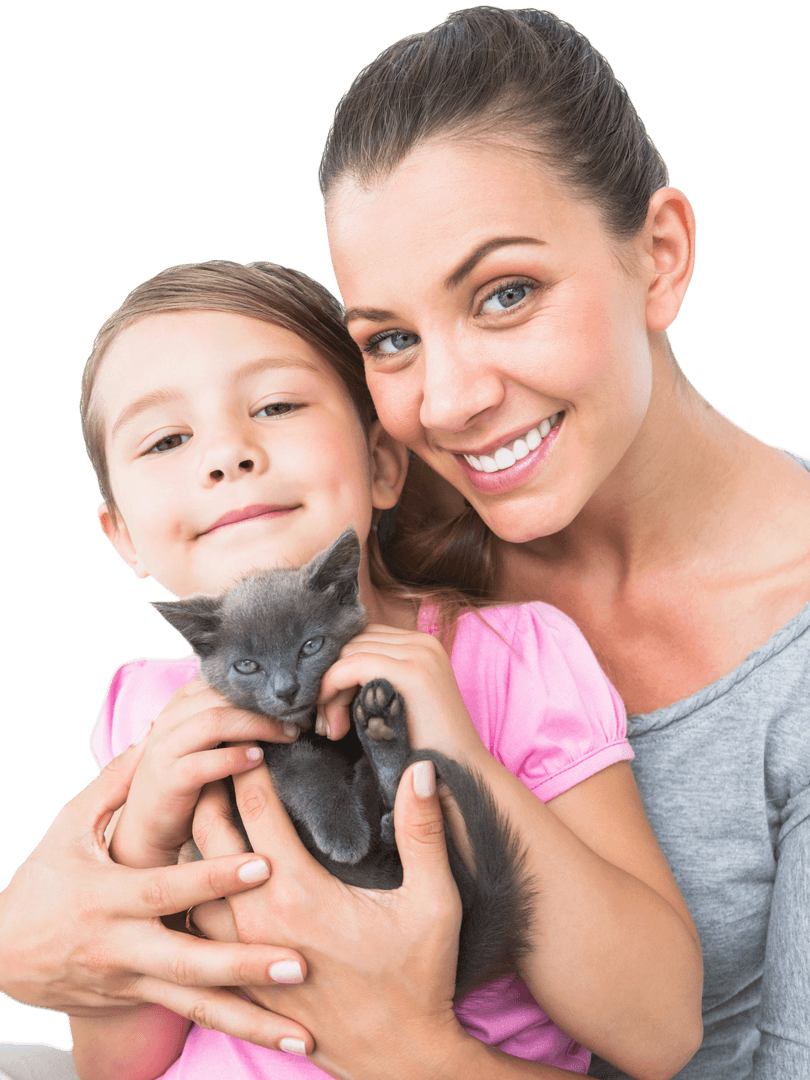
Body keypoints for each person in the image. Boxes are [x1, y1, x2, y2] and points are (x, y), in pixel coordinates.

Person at [4, 257, 702, 1080]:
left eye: (275, 405)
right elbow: (121, 1068)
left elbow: (659, 1032)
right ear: (124, 538)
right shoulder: (143, 713)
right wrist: (146, 835)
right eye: (167, 439)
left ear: (381, 463)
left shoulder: (511, 658)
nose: (228, 454)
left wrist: (459, 756)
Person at [306, 6, 809, 1079]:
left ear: (661, 257)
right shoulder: (391, 547)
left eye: (506, 294)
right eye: (391, 339)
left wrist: (406, 1050)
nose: (447, 401)